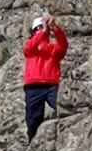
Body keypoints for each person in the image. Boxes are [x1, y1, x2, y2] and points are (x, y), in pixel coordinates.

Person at [23, 14, 68, 142]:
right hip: (33, 86)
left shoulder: (53, 48)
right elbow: (29, 47)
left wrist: (55, 28)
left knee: (62, 107)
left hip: (51, 85)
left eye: (41, 28)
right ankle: (32, 142)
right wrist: (44, 31)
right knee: (33, 119)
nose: (41, 30)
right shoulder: (31, 47)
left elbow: (63, 46)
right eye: (38, 28)